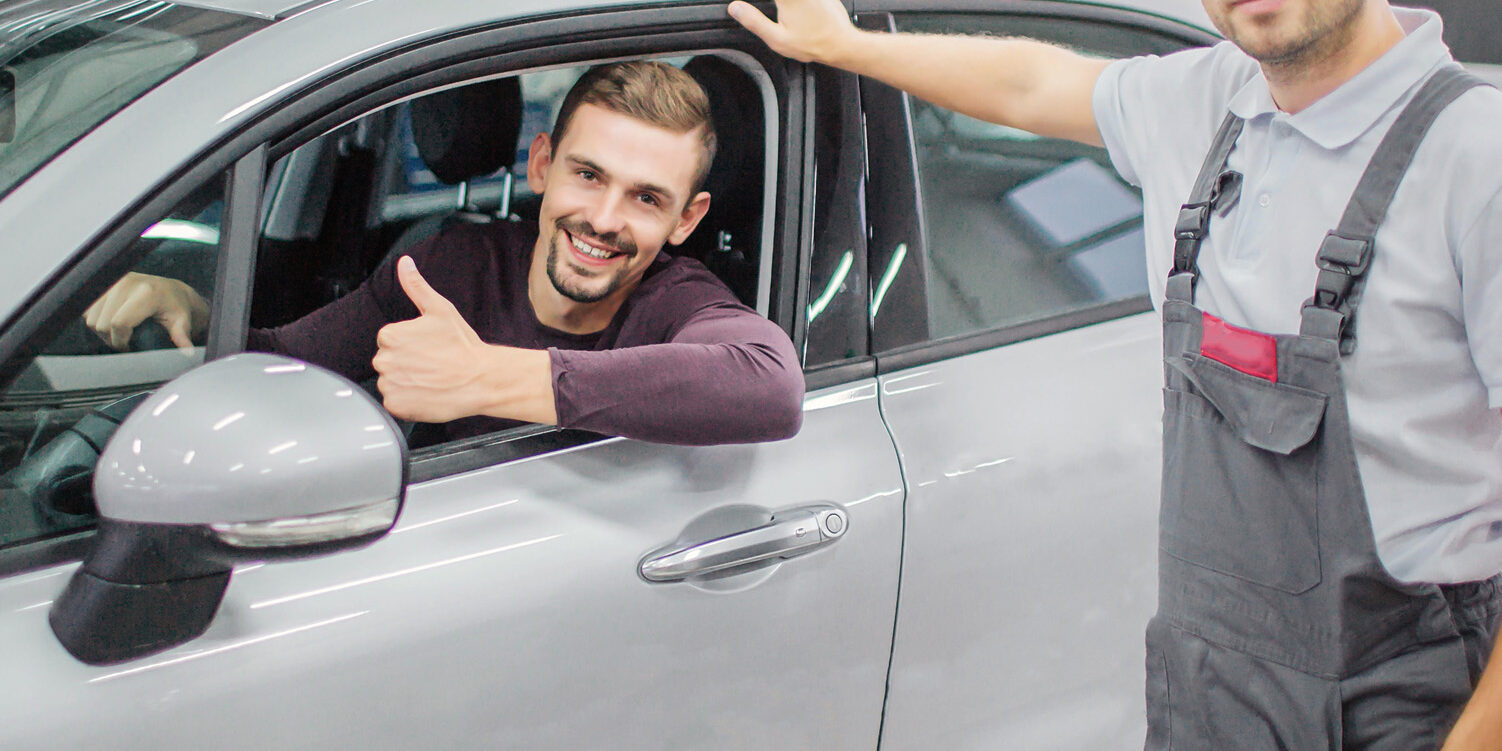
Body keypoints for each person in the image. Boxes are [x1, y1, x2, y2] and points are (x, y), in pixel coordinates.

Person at [727, 0, 1502, 747]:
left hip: (1404, 702)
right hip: (1208, 684)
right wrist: (846, 45)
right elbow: (1032, 84)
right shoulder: (1206, 99)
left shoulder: (1477, 158)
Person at [83, 61, 804, 446]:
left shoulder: (678, 300)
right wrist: (198, 313)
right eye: (588, 175)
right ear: (542, 165)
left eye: (647, 199)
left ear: (687, 218)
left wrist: (485, 376)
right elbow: (289, 364)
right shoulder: (453, 265)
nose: (604, 220)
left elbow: (770, 385)